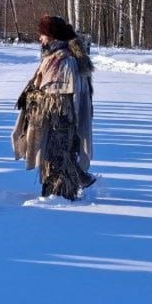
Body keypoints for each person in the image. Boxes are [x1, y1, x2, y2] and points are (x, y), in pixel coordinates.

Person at [12, 14, 96, 200]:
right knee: (54, 157)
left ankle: (59, 196)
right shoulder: (54, 58)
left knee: (57, 158)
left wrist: (36, 97)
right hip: (55, 123)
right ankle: (72, 182)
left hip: (60, 123)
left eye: (42, 34)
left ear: (52, 35)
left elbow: (60, 95)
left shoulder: (64, 61)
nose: (39, 38)